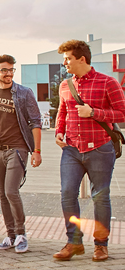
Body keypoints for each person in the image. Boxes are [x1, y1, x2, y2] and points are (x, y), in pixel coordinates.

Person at [53, 40, 125, 262]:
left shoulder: (108, 82)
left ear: (81, 59)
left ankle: (100, 245)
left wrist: (94, 112)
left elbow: (122, 113)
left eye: (67, 58)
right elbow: (62, 111)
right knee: (67, 195)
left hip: (100, 148)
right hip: (72, 150)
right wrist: (59, 131)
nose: (64, 63)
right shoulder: (65, 85)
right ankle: (74, 243)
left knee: (100, 197)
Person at [0, 55, 42, 253]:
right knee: (2, 195)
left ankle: (21, 235)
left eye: (11, 70)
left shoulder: (24, 93)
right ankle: (10, 235)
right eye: (4, 70)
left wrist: (37, 151)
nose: (8, 73)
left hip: (17, 149)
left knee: (11, 192)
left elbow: (35, 122)